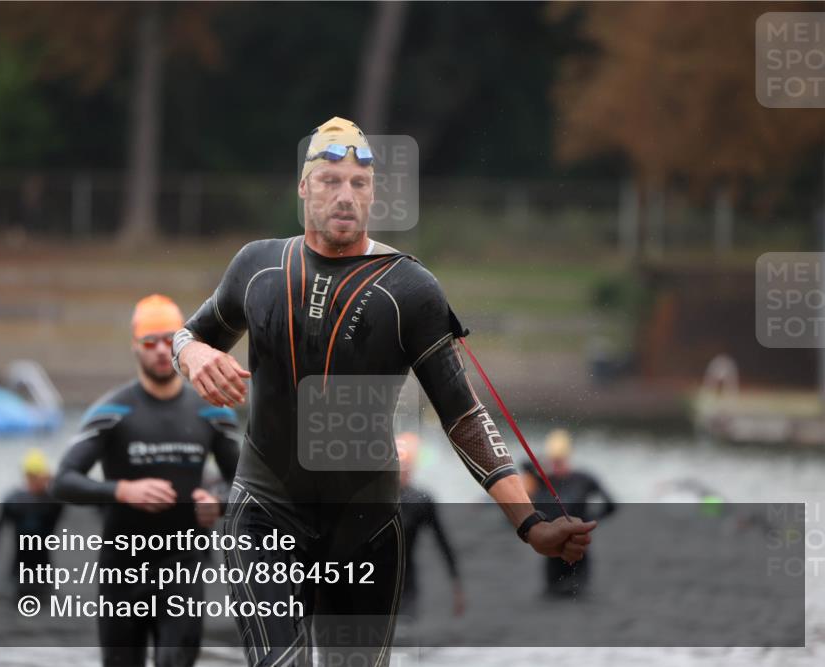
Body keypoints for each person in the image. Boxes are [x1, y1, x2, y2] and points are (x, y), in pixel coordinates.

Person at [172, 117, 596, 666]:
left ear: (375, 193)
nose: (345, 196)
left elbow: (463, 414)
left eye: (359, 183)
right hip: (266, 509)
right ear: (303, 187)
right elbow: (191, 333)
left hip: (365, 524)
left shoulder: (409, 289)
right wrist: (193, 352)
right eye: (330, 180)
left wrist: (531, 524)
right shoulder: (258, 266)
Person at [51, 295, 241, 667]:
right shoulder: (112, 411)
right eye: (149, 342)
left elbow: (246, 483)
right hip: (122, 568)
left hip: (183, 567)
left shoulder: (210, 411)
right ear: (135, 347)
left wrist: (217, 500)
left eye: (169, 340)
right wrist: (122, 490)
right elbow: (63, 481)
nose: (159, 351)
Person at [528, 429, 616, 598]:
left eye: (559, 460)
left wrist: (591, 521)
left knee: (579, 593)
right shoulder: (542, 482)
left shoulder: (584, 479)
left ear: (567, 457)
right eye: (554, 461)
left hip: (578, 547)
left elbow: (610, 505)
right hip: (552, 548)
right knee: (551, 595)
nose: (556, 465)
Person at [396, 432, 464, 621]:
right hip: (372, 578)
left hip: (406, 581)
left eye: (407, 466)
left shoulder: (421, 500)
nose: (403, 471)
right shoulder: (372, 497)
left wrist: (456, 584)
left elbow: (442, 541)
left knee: (405, 629)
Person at [0, 448, 64, 599]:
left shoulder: (52, 502)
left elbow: (64, 493)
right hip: (19, 569)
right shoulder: (13, 500)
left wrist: (51, 482)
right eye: (31, 476)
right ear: (26, 476)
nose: (35, 480)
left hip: (43, 569)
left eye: (37, 476)